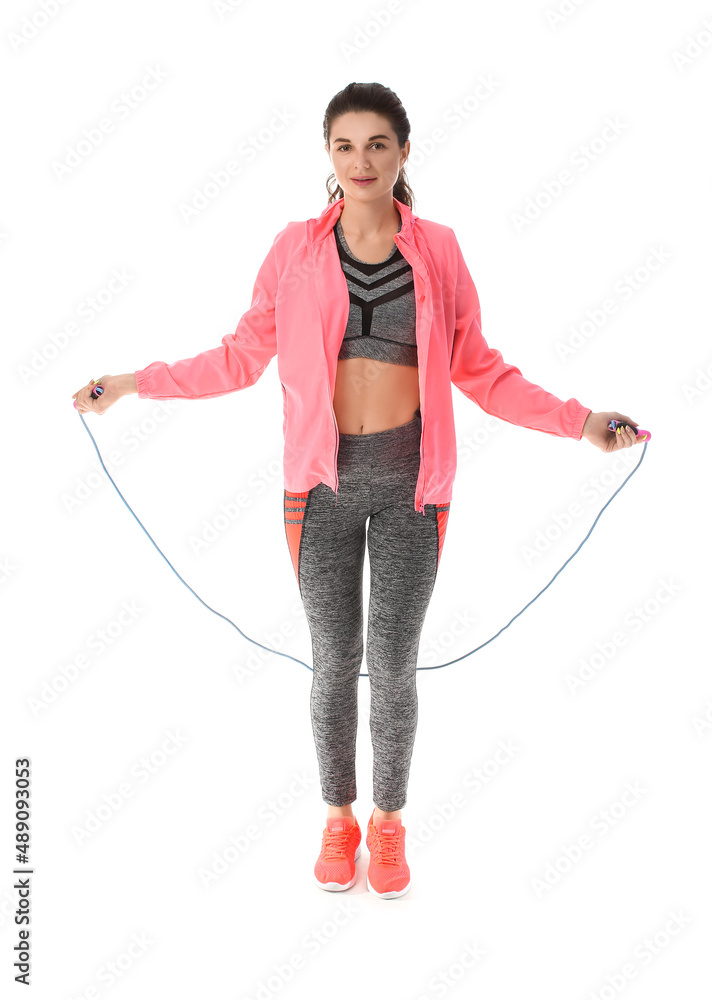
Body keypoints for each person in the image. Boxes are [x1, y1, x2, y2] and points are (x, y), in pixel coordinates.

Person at [72, 82, 645, 900]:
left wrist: (581, 421)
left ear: (404, 151)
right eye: (345, 146)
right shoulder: (295, 251)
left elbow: (480, 368)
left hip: (414, 486)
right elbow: (239, 356)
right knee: (334, 664)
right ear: (328, 157)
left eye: (378, 143)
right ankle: (338, 819)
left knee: (396, 664)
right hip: (319, 490)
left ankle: (389, 822)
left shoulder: (439, 249)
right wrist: (132, 383)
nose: (361, 160)